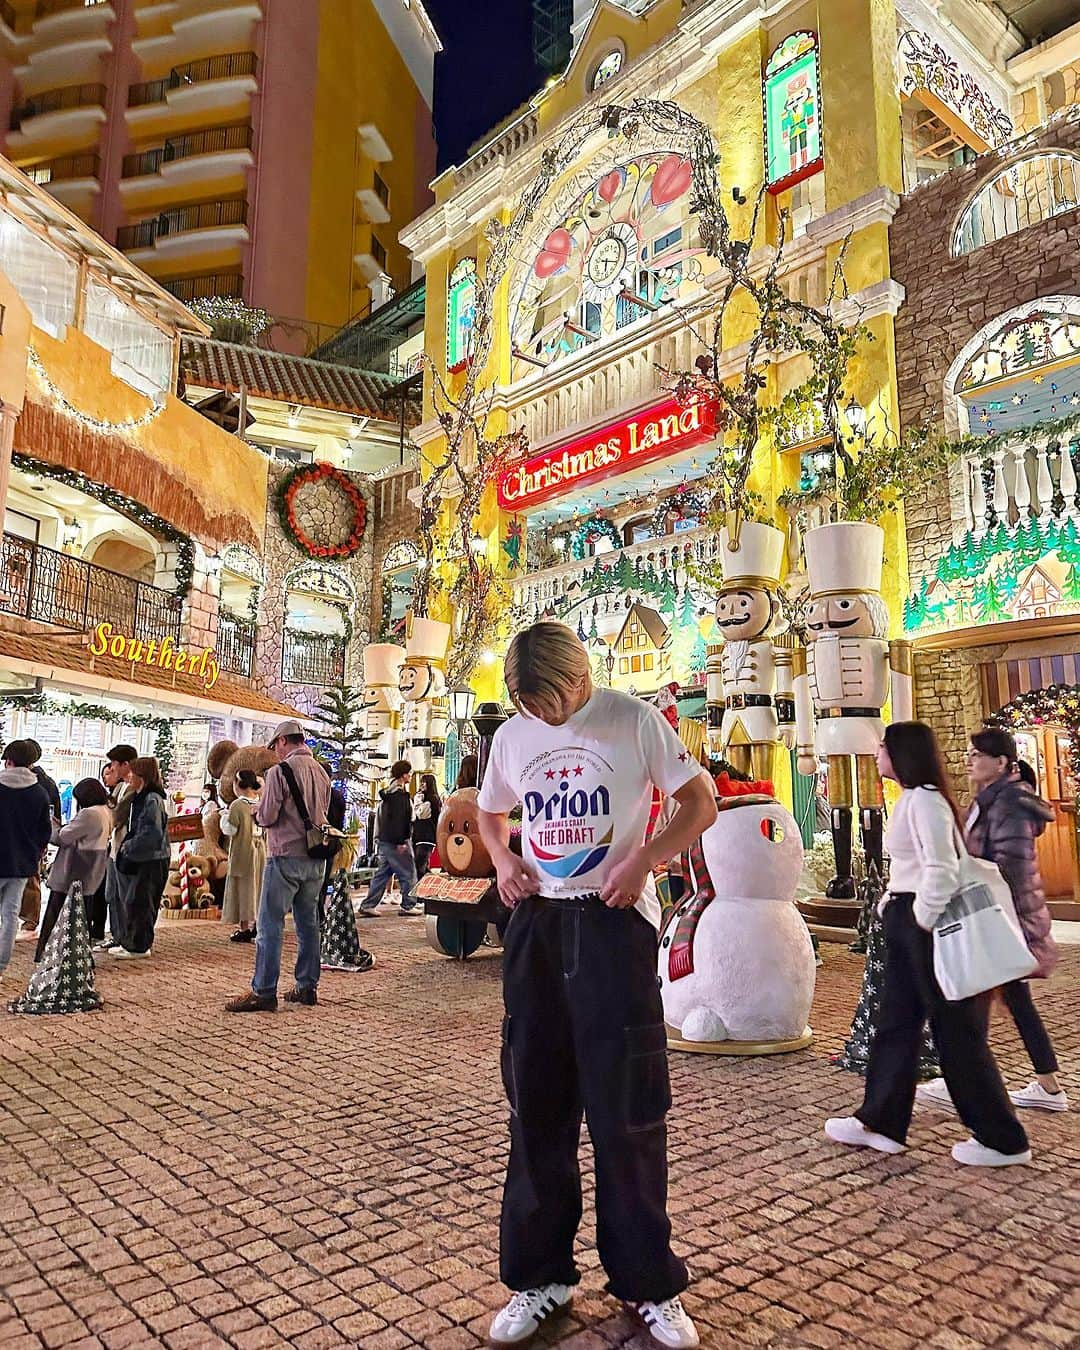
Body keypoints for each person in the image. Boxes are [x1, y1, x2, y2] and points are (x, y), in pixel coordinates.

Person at [477, 623, 717, 1350]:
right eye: (533, 707)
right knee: (536, 1104)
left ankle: (648, 1285)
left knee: (628, 1111)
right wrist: (502, 859)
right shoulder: (513, 735)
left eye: (559, 701)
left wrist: (644, 858)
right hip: (538, 930)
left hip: (614, 927)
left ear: (582, 676)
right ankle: (538, 1278)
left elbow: (699, 801)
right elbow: (489, 811)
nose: (549, 717)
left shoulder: (632, 717)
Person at [825, 721, 1031, 1168]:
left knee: (955, 1030)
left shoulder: (925, 801)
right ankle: (880, 1121)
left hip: (925, 924)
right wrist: (891, 907)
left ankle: (1002, 1137)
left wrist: (919, 918)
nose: (877, 754)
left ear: (902, 754)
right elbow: (915, 866)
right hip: (906, 917)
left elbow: (942, 868)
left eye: (884, 747)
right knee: (895, 1023)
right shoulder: (913, 800)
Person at [918, 731, 1066, 1114]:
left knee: (976, 995)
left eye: (977, 755)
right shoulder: (990, 800)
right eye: (968, 754)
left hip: (1004, 917)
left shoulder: (1008, 805)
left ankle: (963, 1082)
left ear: (1001, 763)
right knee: (1008, 999)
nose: (969, 761)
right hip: (999, 916)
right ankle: (1048, 1086)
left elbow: (1009, 867)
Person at [225, 720, 330, 1013]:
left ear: (283, 741)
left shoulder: (278, 773)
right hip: (314, 858)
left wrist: (257, 812)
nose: (275, 752)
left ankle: (264, 990)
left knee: (270, 923)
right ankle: (306, 986)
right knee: (309, 924)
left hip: (284, 855)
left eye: (275, 746)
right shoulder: (321, 772)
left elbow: (269, 815)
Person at [35, 778, 112, 961]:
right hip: (91, 870)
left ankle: (45, 954)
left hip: (74, 870)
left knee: (55, 913)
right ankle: (77, 956)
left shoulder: (89, 813)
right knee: (81, 917)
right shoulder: (106, 811)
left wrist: (51, 827)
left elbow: (63, 837)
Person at [0, 740, 52, 987]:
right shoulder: (39, 793)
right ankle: (0, 967)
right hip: (21, 864)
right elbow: (45, 832)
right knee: (10, 915)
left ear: (8, 761)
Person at [112, 757, 170, 958]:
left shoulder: (152, 799)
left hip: (151, 859)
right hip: (144, 858)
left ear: (141, 777)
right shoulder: (142, 797)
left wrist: (128, 846)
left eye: (132, 774)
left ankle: (139, 946)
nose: (129, 777)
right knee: (134, 901)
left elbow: (150, 833)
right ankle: (131, 943)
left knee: (142, 903)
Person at [359, 760, 421, 918]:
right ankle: (408, 904)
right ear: (404, 775)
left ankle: (368, 904)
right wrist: (401, 841)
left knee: (383, 873)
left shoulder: (388, 793)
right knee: (408, 872)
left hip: (385, 839)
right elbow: (400, 820)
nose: (411, 776)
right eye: (409, 773)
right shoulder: (399, 796)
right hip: (396, 841)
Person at [15, 738, 61, 942]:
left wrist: (43, 841)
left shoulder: (42, 783)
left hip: (30, 838)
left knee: (31, 878)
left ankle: (30, 921)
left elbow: (52, 815)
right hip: (18, 836)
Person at [100, 744, 138, 952]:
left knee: (123, 896)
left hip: (125, 849)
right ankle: (116, 935)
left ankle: (125, 937)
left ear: (126, 764)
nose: (112, 768)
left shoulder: (133, 787)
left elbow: (118, 816)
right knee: (111, 894)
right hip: (114, 848)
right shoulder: (120, 786)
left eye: (115, 764)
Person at [221, 770, 265, 944]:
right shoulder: (260, 802)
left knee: (243, 887)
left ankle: (244, 927)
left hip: (243, 850)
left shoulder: (237, 805)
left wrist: (223, 817)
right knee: (258, 885)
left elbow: (230, 830)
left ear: (238, 784)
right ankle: (257, 925)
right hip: (260, 848)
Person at [412, 773, 442, 880]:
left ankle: (423, 892)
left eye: (424, 782)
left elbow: (420, 814)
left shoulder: (432, 800)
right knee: (420, 867)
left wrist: (418, 798)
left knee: (420, 867)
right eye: (421, 782)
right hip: (419, 837)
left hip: (426, 838)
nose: (421, 785)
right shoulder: (425, 799)